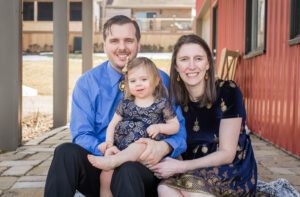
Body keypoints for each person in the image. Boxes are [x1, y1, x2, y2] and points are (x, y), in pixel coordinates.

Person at [44, 15, 187, 197]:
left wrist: (165, 147)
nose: (122, 47)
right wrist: (104, 148)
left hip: (142, 168)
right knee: (65, 153)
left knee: (128, 169)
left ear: (138, 44)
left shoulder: (160, 79)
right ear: (104, 45)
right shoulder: (87, 83)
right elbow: (81, 134)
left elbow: (179, 129)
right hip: (103, 166)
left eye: (128, 40)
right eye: (114, 41)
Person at [151, 34, 257, 196]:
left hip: (231, 168)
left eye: (198, 58)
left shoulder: (228, 91)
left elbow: (227, 154)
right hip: (192, 168)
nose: (192, 66)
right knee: (164, 189)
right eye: (184, 59)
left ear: (208, 63)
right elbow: (175, 143)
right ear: (176, 67)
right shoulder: (173, 101)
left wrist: (181, 167)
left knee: (193, 192)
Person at [88, 57, 180, 197]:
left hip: (144, 150)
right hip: (121, 149)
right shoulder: (125, 103)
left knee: (139, 145)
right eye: (133, 81)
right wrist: (108, 143)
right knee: (105, 177)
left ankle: (112, 162)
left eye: (144, 79)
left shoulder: (161, 104)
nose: (138, 84)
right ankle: (111, 166)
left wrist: (160, 128)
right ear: (127, 84)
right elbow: (112, 124)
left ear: (156, 81)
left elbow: (175, 126)